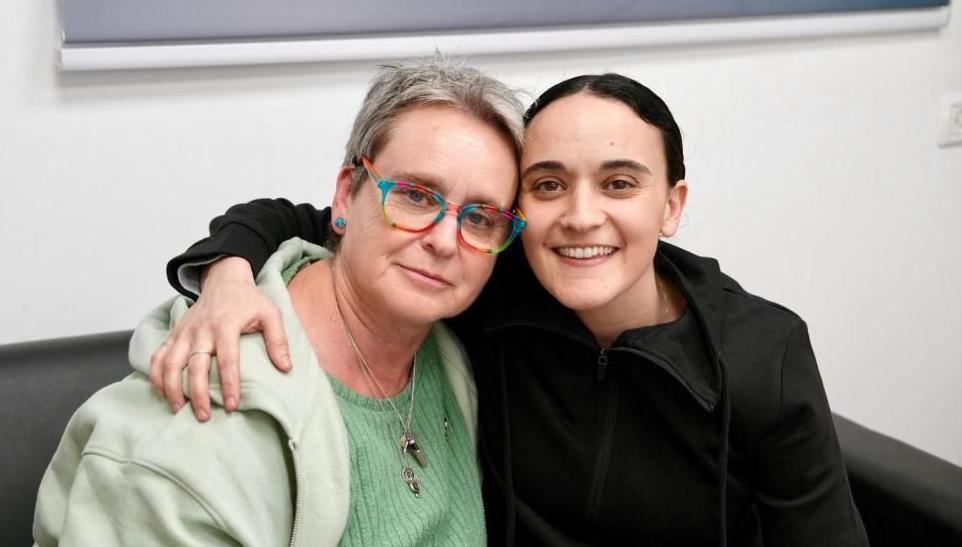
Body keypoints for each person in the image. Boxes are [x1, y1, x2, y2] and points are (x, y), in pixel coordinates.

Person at [152, 74, 869, 546]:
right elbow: (311, 218)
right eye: (549, 184)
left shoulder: (759, 352)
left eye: (619, 183)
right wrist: (227, 275)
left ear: (671, 205)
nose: (581, 216)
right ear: (519, 209)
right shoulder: (479, 279)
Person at [33, 58, 527, 546]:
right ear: (345, 196)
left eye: (481, 217)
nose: (445, 240)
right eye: (416, 196)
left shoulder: (450, 354)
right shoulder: (200, 432)